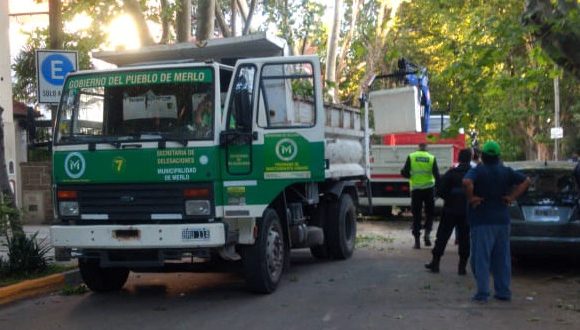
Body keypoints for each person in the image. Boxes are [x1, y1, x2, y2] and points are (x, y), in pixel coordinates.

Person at [462, 141, 530, 303]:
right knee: (502, 258)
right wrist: (512, 197)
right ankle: (503, 291)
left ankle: (483, 293)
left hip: (482, 220)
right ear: (498, 156)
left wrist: (471, 198)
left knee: (481, 258)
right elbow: (526, 181)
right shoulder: (506, 171)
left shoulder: (478, 171)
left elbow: (466, 182)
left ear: (483, 156)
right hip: (502, 220)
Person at [425, 148, 472, 275]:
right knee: (465, 238)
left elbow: (440, 189)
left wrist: (449, 198)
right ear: (470, 159)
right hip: (466, 211)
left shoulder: (452, 173)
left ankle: (435, 263)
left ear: (459, 159)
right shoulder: (473, 173)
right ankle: (462, 267)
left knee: (442, 236)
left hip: (450, 209)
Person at [401, 143, 440, 249]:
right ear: (427, 149)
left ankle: (417, 241)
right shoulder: (431, 158)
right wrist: (438, 190)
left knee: (416, 215)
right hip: (429, 189)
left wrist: (411, 176)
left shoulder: (412, 156)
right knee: (430, 213)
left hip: (416, 189)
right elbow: (437, 175)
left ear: (418, 148)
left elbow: (404, 172)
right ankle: (427, 235)